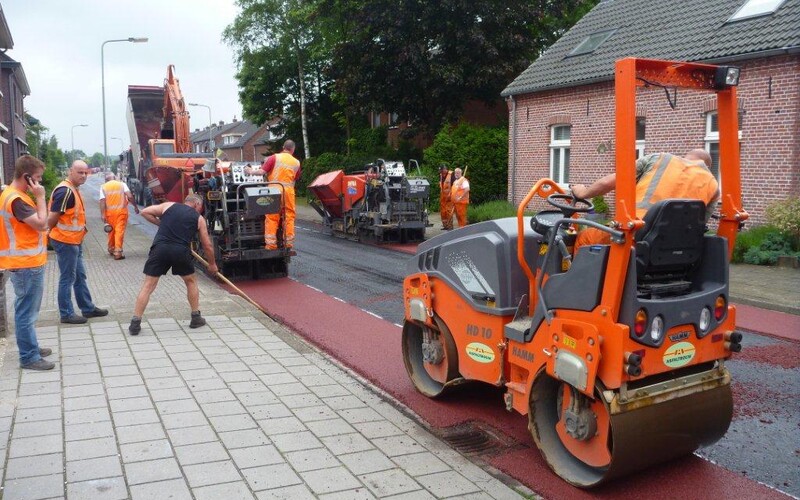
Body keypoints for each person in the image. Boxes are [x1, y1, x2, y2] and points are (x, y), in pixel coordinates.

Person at [571, 149, 719, 248]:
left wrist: (583, 193)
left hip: (633, 234)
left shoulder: (659, 159)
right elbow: (699, 226)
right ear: (707, 166)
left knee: (585, 238)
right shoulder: (713, 186)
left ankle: (579, 290)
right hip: (672, 248)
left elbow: (609, 182)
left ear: (687, 156)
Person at [128, 194, 218, 335]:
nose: (200, 210)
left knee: (148, 285)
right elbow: (207, 245)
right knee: (191, 282)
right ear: (196, 204)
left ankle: (135, 322)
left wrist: (161, 223)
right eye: (200, 207)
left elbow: (145, 212)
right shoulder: (199, 219)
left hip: (160, 249)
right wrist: (212, 264)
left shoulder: (168, 206)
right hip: (180, 251)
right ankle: (195, 317)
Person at [0, 156, 54, 370]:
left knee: (28, 309)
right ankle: (29, 356)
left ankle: (30, 346)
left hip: (26, 261)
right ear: (27, 177)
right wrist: (41, 198)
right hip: (25, 263)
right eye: (38, 178)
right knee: (26, 311)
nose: (39, 183)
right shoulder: (17, 200)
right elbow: (41, 224)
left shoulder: (15, 195)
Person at [48, 160, 108, 325]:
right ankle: (66, 313)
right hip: (65, 240)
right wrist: (47, 233)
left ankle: (87, 308)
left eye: (85, 173)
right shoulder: (65, 191)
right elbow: (53, 217)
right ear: (70, 171)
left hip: (74, 240)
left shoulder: (73, 189)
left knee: (79, 275)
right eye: (79, 172)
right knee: (67, 277)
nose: (83, 176)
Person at [244, 140, 301, 250]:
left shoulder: (274, 158)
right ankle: (288, 243)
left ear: (283, 147)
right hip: (288, 191)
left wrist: (250, 171)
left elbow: (262, 172)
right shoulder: (296, 162)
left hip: (275, 190)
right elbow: (296, 177)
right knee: (289, 216)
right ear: (293, 149)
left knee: (272, 216)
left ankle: (271, 245)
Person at [100, 172, 139, 260]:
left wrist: (102, 214)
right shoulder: (122, 185)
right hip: (121, 212)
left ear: (106, 179)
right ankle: (118, 252)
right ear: (115, 178)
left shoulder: (103, 186)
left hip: (109, 213)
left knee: (111, 231)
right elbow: (130, 196)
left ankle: (111, 248)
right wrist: (135, 206)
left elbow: (102, 201)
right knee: (119, 231)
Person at [439, 165, 454, 230]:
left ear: (445, 169)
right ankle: (445, 226)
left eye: (442, 171)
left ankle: (450, 226)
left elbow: (454, 185)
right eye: (440, 171)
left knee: (449, 210)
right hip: (443, 195)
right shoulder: (441, 175)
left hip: (449, 196)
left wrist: (450, 193)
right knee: (443, 211)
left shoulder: (451, 175)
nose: (441, 172)